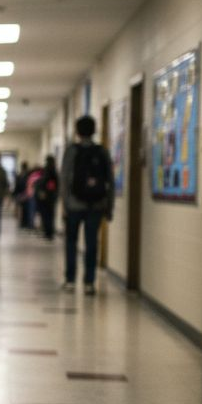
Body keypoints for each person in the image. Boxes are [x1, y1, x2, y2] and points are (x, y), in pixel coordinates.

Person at [61, 115, 115, 294]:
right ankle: (89, 283)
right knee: (92, 244)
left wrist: (65, 204)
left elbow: (64, 179)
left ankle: (70, 280)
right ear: (94, 130)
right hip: (96, 205)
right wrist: (109, 206)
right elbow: (110, 181)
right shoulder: (102, 151)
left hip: (74, 206)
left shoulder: (72, 150)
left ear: (77, 131)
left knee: (71, 242)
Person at [34, 155, 59, 240]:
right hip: (51, 196)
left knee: (46, 215)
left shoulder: (48, 171)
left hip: (47, 196)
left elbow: (45, 183)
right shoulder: (53, 171)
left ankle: (48, 233)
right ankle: (49, 232)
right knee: (50, 215)